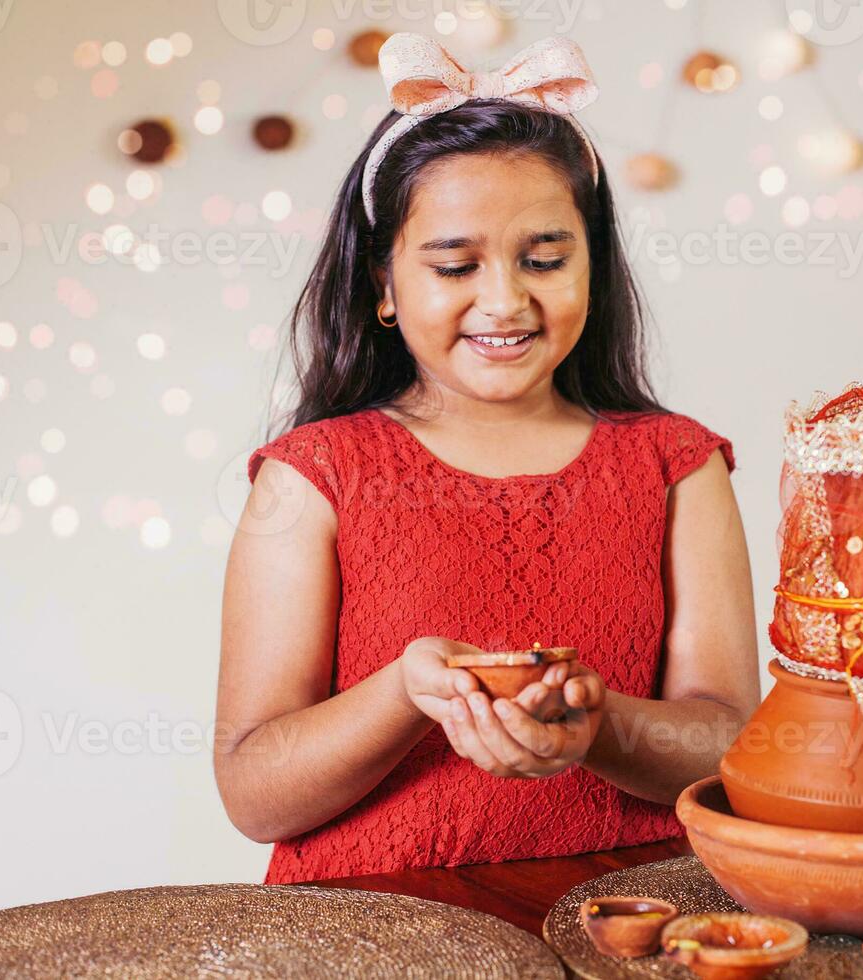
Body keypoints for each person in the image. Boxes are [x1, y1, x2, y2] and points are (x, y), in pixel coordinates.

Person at [214, 32, 759, 884]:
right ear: (383, 285)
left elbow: (730, 746)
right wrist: (406, 693)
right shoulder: (314, 475)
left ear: (595, 266)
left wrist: (597, 725)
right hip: (377, 925)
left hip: (637, 911)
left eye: (545, 258)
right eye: (455, 265)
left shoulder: (677, 465)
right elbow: (255, 795)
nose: (504, 300)